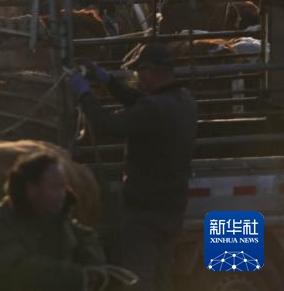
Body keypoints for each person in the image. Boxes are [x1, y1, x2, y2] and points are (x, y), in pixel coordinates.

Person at [70, 44, 197, 291]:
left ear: (150, 72)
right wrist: (106, 80)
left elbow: (107, 125)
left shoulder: (153, 108)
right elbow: (142, 103)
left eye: (139, 74)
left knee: (139, 281)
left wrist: (84, 94)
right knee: (162, 279)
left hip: (144, 213)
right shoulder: (184, 101)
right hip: (172, 208)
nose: (138, 80)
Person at [0, 152, 106, 291]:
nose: (63, 194)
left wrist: (93, 270)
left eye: (64, 187)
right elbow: (15, 271)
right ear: (31, 189)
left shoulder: (57, 218)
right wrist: (77, 276)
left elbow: (87, 239)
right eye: (56, 188)